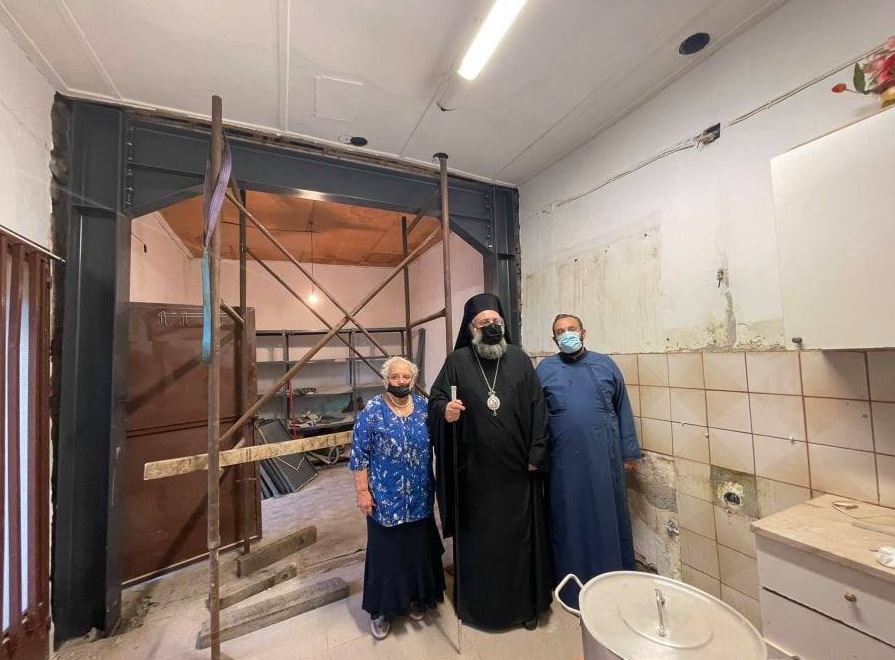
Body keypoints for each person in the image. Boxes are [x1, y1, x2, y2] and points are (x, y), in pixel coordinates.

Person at [428, 293, 552, 631]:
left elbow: (538, 408)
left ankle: (525, 607)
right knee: (482, 545)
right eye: (484, 323)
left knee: (519, 542)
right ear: (471, 328)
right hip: (474, 476)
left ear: (504, 324)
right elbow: (435, 401)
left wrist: (537, 454)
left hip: (518, 474)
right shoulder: (457, 361)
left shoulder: (520, 359)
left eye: (496, 321)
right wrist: (445, 410)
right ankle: (479, 609)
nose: (491, 326)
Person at [536, 314, 641, 607]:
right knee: (567, 518)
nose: (566, 334)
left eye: (571, 329)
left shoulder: (605, 365)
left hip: (603, 458)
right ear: (554, 339)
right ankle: (571, 586)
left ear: (584, 332)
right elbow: (536, 417)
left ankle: (613, 582)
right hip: (562, 461)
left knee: (606, 516)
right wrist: (535, 457)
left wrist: (629, 451)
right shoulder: (544, 370)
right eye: (560, 331)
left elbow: (622, 408)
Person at [349, 356, 445, 640]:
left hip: (419, 497)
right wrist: (363, 492)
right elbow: (359, 455)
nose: (400, 381)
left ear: (413, 381)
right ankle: (381, 611)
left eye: (406, 377)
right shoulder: (373, 411)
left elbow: (443, 438)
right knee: (387, 557)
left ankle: (416, 598)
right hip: (385, 500)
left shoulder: (424, 408)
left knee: (416, 552)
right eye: (395, 377)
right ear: (386, 380)